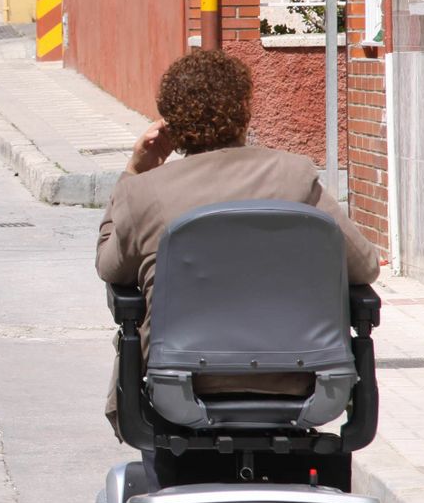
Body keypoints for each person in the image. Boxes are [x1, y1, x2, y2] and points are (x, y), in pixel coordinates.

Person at [96, 51, 380, 451]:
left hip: (181, 385)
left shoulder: (145, 192)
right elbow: (365, 265)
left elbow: (110, 267)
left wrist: (133, 172)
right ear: (245, 111)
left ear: (171, 124)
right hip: (303, 381)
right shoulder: (293, 177)